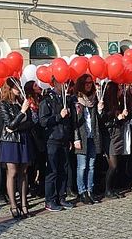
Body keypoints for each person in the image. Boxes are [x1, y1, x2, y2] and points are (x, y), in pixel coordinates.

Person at [0, 80, 34, 219]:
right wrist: (22, 112)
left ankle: (24, 205)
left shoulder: (21, 101)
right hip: (10, 141)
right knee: (12, 172)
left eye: (19, 86)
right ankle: (14, 205)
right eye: (15, 87)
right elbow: (10, 125)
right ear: (9, 88)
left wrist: (18, 124)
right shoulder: (3, 104)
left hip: (23, 139)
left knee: (24, 172)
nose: (18, 89)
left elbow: (30, 122)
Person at [40, 78, 75, 211]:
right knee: (52, 171)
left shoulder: (66, 99)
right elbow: (43, 121)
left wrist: (70, 138)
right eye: (61, 82)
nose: (64, 85)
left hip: (64, 139)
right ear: (54, 83)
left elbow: (69, 122)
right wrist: (59, 116)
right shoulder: (47, 99)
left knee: (63, 170)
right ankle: (50, 200)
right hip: (52, 139)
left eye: (66, 83)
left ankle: (61, 197)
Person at [73, 74, 102, 204]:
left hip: (92, 136)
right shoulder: (76, 100)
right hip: (81, 137)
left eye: (91, 82)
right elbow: (74, 123)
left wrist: (100, 111)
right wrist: (76, 138)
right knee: (82, 166)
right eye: (86, 82)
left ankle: (90, 190)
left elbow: (97, 120)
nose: (89, 84)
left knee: (91, 165)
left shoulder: (94, 100)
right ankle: (82, 191)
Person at [99, 82, 128, 199]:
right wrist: (117, 119)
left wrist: (122, 117)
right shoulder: (105, 104)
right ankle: (107, 189)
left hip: (117, 135)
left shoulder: (118, 102)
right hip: (109, 136)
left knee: (117, 164)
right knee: (113, 165)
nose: (121, 90)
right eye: (119, 89)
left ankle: (112, 188)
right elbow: (105, 122)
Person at [24, 80, 46, 199]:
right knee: (32, 165)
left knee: (42, 163)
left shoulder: (41, 99)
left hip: (41, 136)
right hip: (32, 137)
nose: (38, 87)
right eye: (35, 86)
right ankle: (31, 186)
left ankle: (41, 186)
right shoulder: (28, 101)